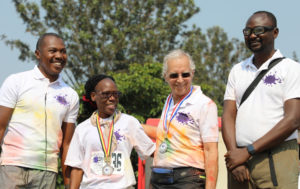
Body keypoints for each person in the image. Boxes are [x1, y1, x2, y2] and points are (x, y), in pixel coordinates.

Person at [222, 11, 300, 189]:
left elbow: (293, 119)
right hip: (239, 163)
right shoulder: (237, 70)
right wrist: (235, 155)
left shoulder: (291, 69)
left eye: (259, 30)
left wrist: (249, 151)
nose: (252, 36)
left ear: (275, 32)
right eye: (247, 32)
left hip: (277, 157)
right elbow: (228, 115)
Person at [0, 33, 79, 189]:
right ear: (38, 54)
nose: (59, 56)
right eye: (53, 51)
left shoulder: (70, 95)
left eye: (63, 51)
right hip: (12, 166)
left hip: (47, 172)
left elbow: (67, 145)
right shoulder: (16, 82)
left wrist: (69, 183)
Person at [65, 74, 156, 189]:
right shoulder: (82, 129)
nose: (112, 98)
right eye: (106, 94)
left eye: (115, 94)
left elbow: (150, 151)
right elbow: (77, 168)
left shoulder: (129, 122)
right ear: (93, 96)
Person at [146, 49, 219, 189]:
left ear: (192, 73)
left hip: (187, 180)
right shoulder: (169, 101)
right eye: (174, 75)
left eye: (185, 74)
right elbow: (168, 135)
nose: (180, 80)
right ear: (165, 76)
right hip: (158, 178)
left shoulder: (204, 104)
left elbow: (211, 151)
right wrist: (136, 126)